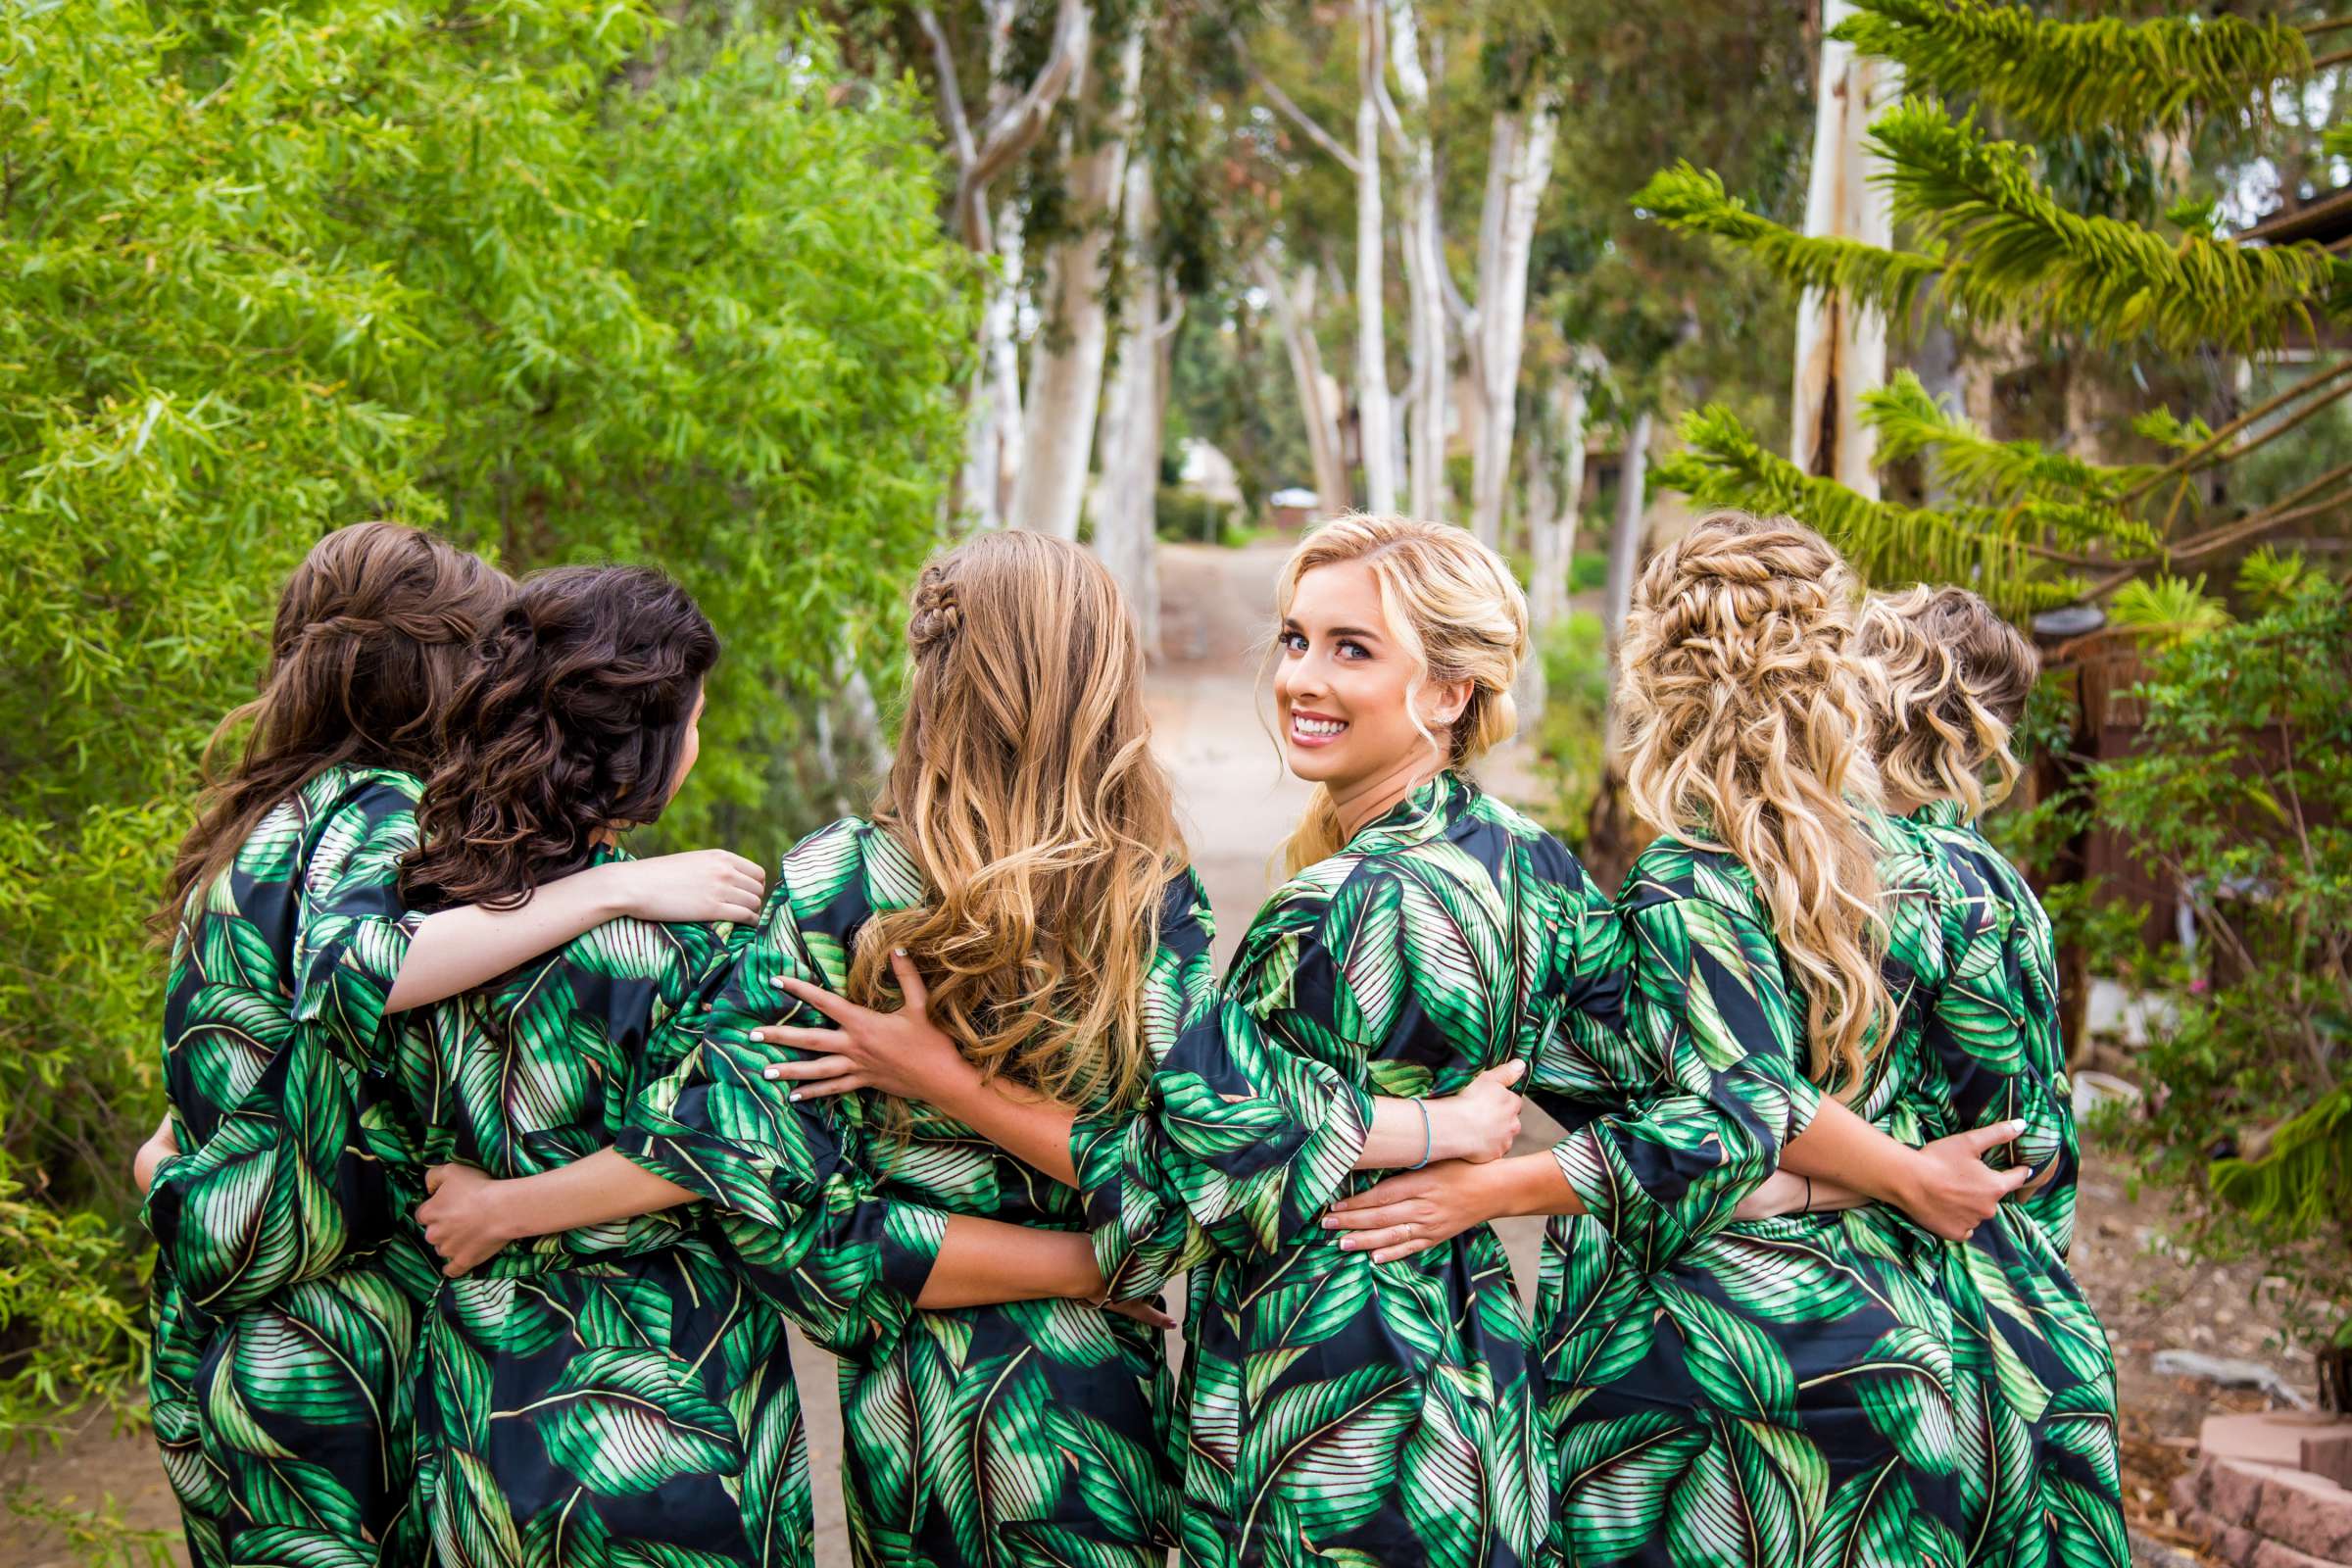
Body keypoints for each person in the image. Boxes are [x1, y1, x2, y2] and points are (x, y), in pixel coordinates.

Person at [1327, 514, 2102, 1568]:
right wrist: (1910, 1191)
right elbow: (2025, 1155)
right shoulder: (1949, 879)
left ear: (1655, 677)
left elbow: (1724, 1122)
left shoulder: (1680, 884)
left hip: (1702, 1374)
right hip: (1937, 1358)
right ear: (1833, 671)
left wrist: (1486, 1184)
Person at [136, 524, 760, 1568]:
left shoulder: (258, 829)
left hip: (216, 1337)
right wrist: (614, 883)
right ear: (434, 675)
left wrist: (168, 1171)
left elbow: (224, 1073)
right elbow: (359, 970)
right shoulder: (379, 812)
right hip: (334, 1350)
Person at [1038, 514, 1605, 1568]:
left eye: (1353, 649)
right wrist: (1486, 1178)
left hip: (1324, 1405)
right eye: (1296, 639)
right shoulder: (1535, 865)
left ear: (1448, 691)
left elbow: (1189, 1164)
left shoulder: (1338, 905)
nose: (1302, 676)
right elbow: (1684, 1114)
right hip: (1476, 1383)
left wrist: (935, 1074)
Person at [292, 564, 814, 1564]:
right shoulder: (699, 943)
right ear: (644, 752)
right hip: (680, 1413)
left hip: (486, 1419)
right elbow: (733, 1150)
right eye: (696, 718)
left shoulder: (424, 929)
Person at [1859, 584, 2122, 1565]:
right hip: (1943, 1292)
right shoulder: (1972, 886)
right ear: (1979, 729)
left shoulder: (1774, 855)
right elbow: (2023, 1134)